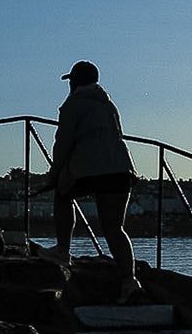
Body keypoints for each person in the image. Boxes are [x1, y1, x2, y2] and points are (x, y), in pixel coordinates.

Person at [39, 61, 142, 301]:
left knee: (63, 194)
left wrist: (55, 173)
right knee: (115, 228)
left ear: (74, 82)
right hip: (120, 168)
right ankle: (130, 280)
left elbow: (63, 142)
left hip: (89, 167)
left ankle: (63, 250)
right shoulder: (108, 105)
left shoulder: (72, 104)